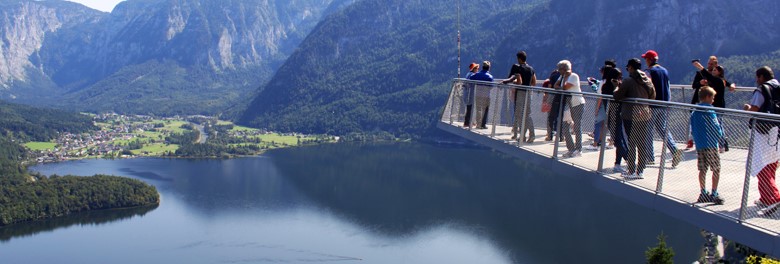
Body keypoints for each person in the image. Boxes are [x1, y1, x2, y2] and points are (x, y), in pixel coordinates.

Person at [743, 66, 780, 208]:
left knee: (760, 165)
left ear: (762, 77)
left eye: (757, 77)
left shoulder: (762, 90)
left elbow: (754, 109)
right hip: (776, 131)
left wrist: (747, 107)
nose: (756, 80)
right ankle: (766, 197)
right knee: (771, 164)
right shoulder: (778, 88)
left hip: (761, 131)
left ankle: (773, 198)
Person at [613, 58, 655, 179]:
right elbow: (653, 96)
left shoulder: (628, 81)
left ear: (630, 68)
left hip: (630, 114)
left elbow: (617, 96)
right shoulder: (648, 80)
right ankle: (640, 170)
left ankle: (631, 170)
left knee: (632, 142)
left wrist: (616, 87)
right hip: (645, 114)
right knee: (641, 142)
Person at [642, 50, 683, 168]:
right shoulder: (664, 71)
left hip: (652, 104)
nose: (645, 61)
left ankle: (650, 158)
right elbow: (668, 87)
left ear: (649, 60)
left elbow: (647, 87)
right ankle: (674, 150)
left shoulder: (648, 72)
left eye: (646, 59)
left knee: (647, 131)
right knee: (662, 128)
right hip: (664, 104)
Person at [690, 86, 724, 204]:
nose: (713, 100)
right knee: (716, 169)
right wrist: (720, 138)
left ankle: (703, 192)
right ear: (708, 97)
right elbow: (716, 128)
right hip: (711, 144)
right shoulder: (709, 111)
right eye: (713, 97)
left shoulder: (695, 111)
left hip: (700, 145)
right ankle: (714, 193)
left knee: (702, 169)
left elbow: (692, 128)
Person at [501, 51, 537, 142]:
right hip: (529, 93)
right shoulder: (531, 69)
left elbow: (518, 81)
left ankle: (522, 136)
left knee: (519, 115)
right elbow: (534, 82)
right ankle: (531, 135)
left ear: (519, 59)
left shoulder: (518, 68)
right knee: (527, 114)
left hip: (520, 93)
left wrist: (507, 81)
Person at [602, 60, 629, 173]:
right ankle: (628, 160)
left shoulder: (605, 86)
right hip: (616, 114)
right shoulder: (614, 87)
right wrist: (618, 87)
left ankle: (619, 163)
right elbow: (618, 97)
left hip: (611, 115)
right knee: (619, 140)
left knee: (619, 140)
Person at [554, 60, 585, 158]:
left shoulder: (574, 76)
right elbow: (556, 85)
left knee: (577, 126)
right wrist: (561, 82)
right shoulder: (562, 76)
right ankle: (571, 148)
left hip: (577, 103)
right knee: (564, 126)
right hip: (567, 103)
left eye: (560, 69)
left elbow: (565, 87)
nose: (559, 71)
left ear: (564, 69)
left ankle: (578, 149)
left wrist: (561, 85)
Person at [468, 61, 495, 129]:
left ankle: (478, 124)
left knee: (478, 109)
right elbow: (491, 86)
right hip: (486, 95)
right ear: (489, 68)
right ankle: (483, 124)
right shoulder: (490, 77)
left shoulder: (477, 75)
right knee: (485, 110)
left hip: (478, 94)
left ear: (482, 67)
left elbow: (471, 78)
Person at [544, 69, 562, 141]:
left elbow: (550, 86)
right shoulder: (563, 76)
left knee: (550, 116)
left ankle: (549, 135)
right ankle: (561, 136)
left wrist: (546, 98)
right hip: (561, 96)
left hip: (552, 96)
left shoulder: (553, 76)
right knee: (560, 116)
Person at [463, 63, 479, 127]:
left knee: (469, 109)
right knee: (470, 109)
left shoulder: (468, 74)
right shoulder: (472, 75)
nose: (477, 70)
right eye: (477, 68)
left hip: (467, 94)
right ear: (474, 69)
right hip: (470, 94)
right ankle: (467, 123)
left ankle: (469, 122)